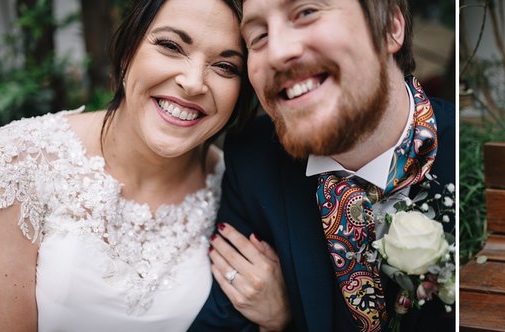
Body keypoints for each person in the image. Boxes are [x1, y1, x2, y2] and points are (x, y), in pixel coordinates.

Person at [0, 0, 286, 330]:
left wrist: (278, 320)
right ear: (129, 49)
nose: (193, 82)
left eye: (226, 67)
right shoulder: (11, 167)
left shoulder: (235, 188)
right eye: (171, 46)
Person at [190, 0, 456, 331]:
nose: (276, 52)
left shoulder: (469, 161)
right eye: (258, 36)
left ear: (390, 26)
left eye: (306, 13)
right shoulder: (253, 160)